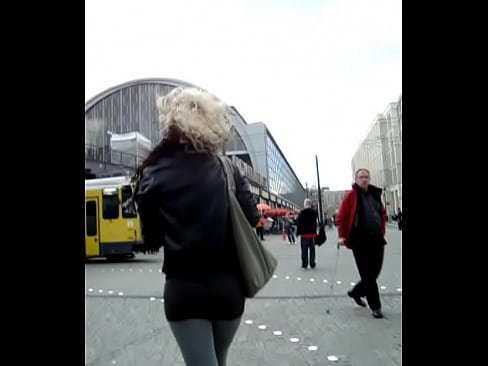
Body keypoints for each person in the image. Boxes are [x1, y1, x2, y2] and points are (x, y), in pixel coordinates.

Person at [133, 87, 259, 366]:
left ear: (169, 122)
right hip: (228, 287)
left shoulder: (152, 173)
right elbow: (252, 218)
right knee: (219, 358)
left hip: (184, 289)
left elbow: (151, 239)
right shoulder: (228, 168)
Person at [336, 168, 387, 319]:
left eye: (366, 176)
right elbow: (340, 217)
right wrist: (341, 236)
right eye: (361, 177)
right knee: (367, 274)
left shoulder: (375, 194)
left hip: (376, 238)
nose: (364, 179)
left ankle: (356, 292)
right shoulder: (350, 195)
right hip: (359, 239)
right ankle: (376, 307)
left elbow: (382, 213)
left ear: (369, 178)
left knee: (375, 271)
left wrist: (382, 229)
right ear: (356, 179)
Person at [296, 199, 319, 269]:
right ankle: (312, 263)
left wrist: (298, 233)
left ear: (305, 204)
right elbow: (317, 221)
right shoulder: (314, 212)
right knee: (312, 250)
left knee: (304, 250)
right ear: (310, 204)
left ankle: (305, 264)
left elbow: (298, 223)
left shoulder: (302, 213)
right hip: (312, 234)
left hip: (304, 235)